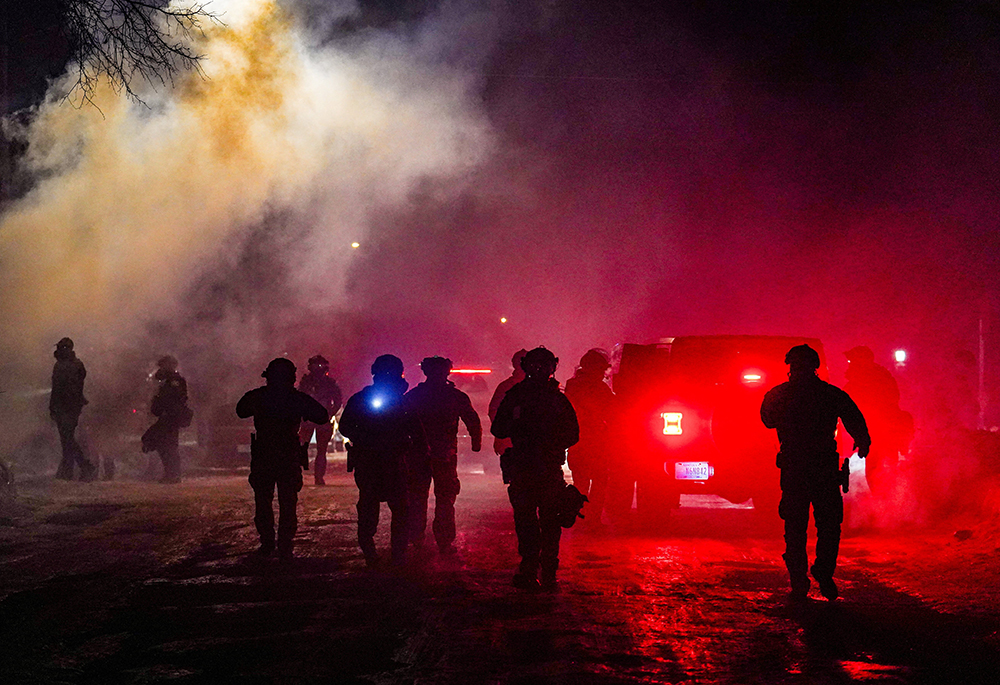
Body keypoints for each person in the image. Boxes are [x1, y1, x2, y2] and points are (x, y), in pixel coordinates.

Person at [760, 344, 871, 601]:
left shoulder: (779, 394)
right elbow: (854, 417)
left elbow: (767, 420)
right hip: (823, 468)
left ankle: (799, 577)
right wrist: (863, 441)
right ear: (816, 366)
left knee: (796, 526)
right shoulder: (830, 394)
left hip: (795, 468)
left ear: (791, 367)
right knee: (829, 525)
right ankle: (823, 572)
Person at [492, 347, 579, 590]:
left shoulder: (516, 395)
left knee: (528, 520)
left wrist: (524, 434)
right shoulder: (556, 399)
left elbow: (499, 428)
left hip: (526, 468)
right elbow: (573, 434)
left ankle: (531, 567)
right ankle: (546, 569)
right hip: (544, 469)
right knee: (548, 521)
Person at [339, 354, 427, 567]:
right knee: (388, 508)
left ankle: (387, 554)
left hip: (386, 461)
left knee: (387, 508)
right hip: (378, 460)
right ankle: (386, 555)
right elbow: (346, 427)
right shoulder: (384, 400)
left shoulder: (393, 401)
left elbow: (416, 434)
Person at [237, 358, 328, 560]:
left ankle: (267, 543)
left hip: (264, 455)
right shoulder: (297, 398)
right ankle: (285, 545)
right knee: (288, 503)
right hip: (288, 455)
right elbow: (321, 415)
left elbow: (240, 410)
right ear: (291, 378)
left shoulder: (259, 396)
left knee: (263, 501)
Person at [404, 356, 482, 554]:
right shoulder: (455, 396)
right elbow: (472, 420)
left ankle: (416, 538)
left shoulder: (414, 396)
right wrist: (476, 443)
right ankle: (444, 541)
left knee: (418, 497)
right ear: (448, 371)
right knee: (445, 499)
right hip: (444, 455)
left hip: (418, 455)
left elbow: (399, 422)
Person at [843, 346, 911, 495]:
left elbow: (850, 402)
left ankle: (886, 504)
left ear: (862, 360)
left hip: (879, 431)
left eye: (852, 359)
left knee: (879, 469)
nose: (849, 363)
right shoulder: (876, 376)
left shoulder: (869, 378)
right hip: (879, 430)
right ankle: (886, 504)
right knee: (881, 469)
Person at [564, 349, 615, 529]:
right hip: (596, 443)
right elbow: (613, 413)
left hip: (577, 444)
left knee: (581, 483)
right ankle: (592, 519)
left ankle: (578, 518)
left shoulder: (572, 386)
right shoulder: (599, 388)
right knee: (600, 482)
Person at [50, 337, 96, 481]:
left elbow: (57, 389)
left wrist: (53, 406)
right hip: (72, 406)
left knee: (67, 439)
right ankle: (72, 470)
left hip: (66, 406)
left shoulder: (63, 365)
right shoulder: (76, 364)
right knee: (67, 439)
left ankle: (82, 467)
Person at [141, 356, 191, 483]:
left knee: (168, 445)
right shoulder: (163, 380)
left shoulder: (174, 380)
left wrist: (165, 409)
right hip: (164, 415)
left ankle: (173, 474)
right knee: (164, 445)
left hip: (170, 416)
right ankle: (171, 473)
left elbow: (176, 398)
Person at [297, 354, 343, 486]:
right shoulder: (311, 382)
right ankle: (316, 477)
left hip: (317, 419)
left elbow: (338, 401)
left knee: (317, 450)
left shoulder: (322, 383)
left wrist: (330, 413)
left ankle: (315, 477)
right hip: (316, 419)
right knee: (315, 450)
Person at [488, 349, 527, 468]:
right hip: (517, 445)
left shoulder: (505, 386)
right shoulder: (543, 389)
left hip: (513, 444)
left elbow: (494, 412)